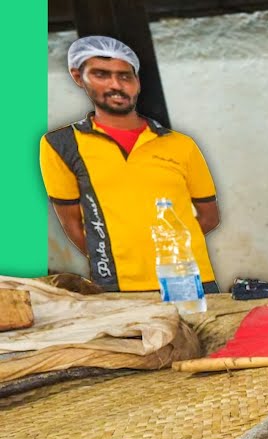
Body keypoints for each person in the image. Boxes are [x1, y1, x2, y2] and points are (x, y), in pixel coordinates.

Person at [40, 36, 221, 294]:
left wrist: (170, 248)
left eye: (125, 76)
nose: (116, 85)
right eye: (101, 74)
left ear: (137, 83)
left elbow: (209, 216)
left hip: (189, 281)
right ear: (78, 77)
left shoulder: (180, 144)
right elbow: (73, 225)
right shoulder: (61, 145)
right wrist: (120, 257)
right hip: (119, 289)